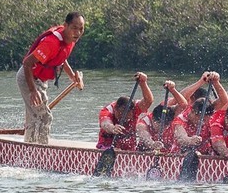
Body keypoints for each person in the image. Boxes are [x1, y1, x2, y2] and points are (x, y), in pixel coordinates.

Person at [18, 13, 86, 144]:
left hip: (41, 80)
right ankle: (40, 151)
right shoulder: (51, 43)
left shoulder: (70, 39)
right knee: (44, 117)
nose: (77, 32)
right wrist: (32, 91)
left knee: (35, 116)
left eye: (81, 29)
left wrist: (72, 76)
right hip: (28, 78)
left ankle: (31, 147)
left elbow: (62, 57)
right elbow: (27, 63)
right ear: (65, 26)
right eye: (74, 28)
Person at [97, 73, 155, 151]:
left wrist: (143, 83)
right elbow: (105, 124)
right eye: (121, 115)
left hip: (130, 149)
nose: (125, 119)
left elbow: (148, 101)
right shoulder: (107, 110)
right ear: (116, 109)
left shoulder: (135, 107)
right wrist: (113, 128)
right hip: (107, 147)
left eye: (128, 117)